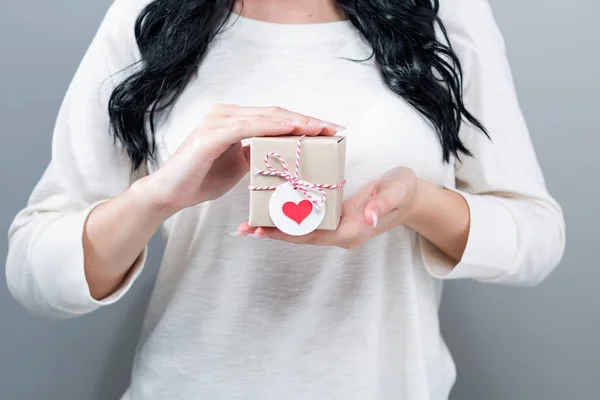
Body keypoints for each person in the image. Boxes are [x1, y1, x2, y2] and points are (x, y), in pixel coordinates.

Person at [5, 0, 566, 398]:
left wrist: (416, 204)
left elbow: (535, 236)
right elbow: (35, 274)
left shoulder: (442, 12)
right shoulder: (147, 15)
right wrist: (158, 196)